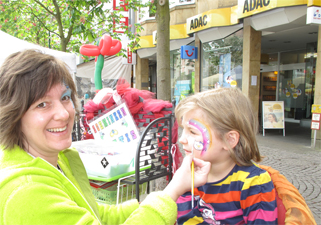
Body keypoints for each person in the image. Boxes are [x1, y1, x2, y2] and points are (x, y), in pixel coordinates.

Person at [0, 49, 211, 225]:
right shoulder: (26, 192)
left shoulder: (58, 159)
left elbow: (97, 215)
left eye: (65, 98)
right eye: (42, 104)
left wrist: (153, 202)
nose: (64, 113)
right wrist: (172, 192)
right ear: (14, 115)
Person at [175, 88, 278, 224]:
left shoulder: (253, 183)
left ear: (229, 140)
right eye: (183, 130)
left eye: (193, 132)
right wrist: (176, 187)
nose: (181, 139)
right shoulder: (190, 174)